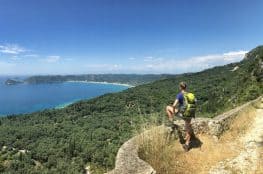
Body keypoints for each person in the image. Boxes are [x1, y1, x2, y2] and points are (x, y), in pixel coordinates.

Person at [166, 82, 194, 151]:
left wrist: (173, 110)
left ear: (180, 87)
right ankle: (187, 145)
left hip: (182, 114)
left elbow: (174, 105)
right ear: (186, 87)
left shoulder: (180, 95)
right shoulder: (190, 94)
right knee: (188, 129)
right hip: (190, 114)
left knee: (167, 108)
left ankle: (171, 122)